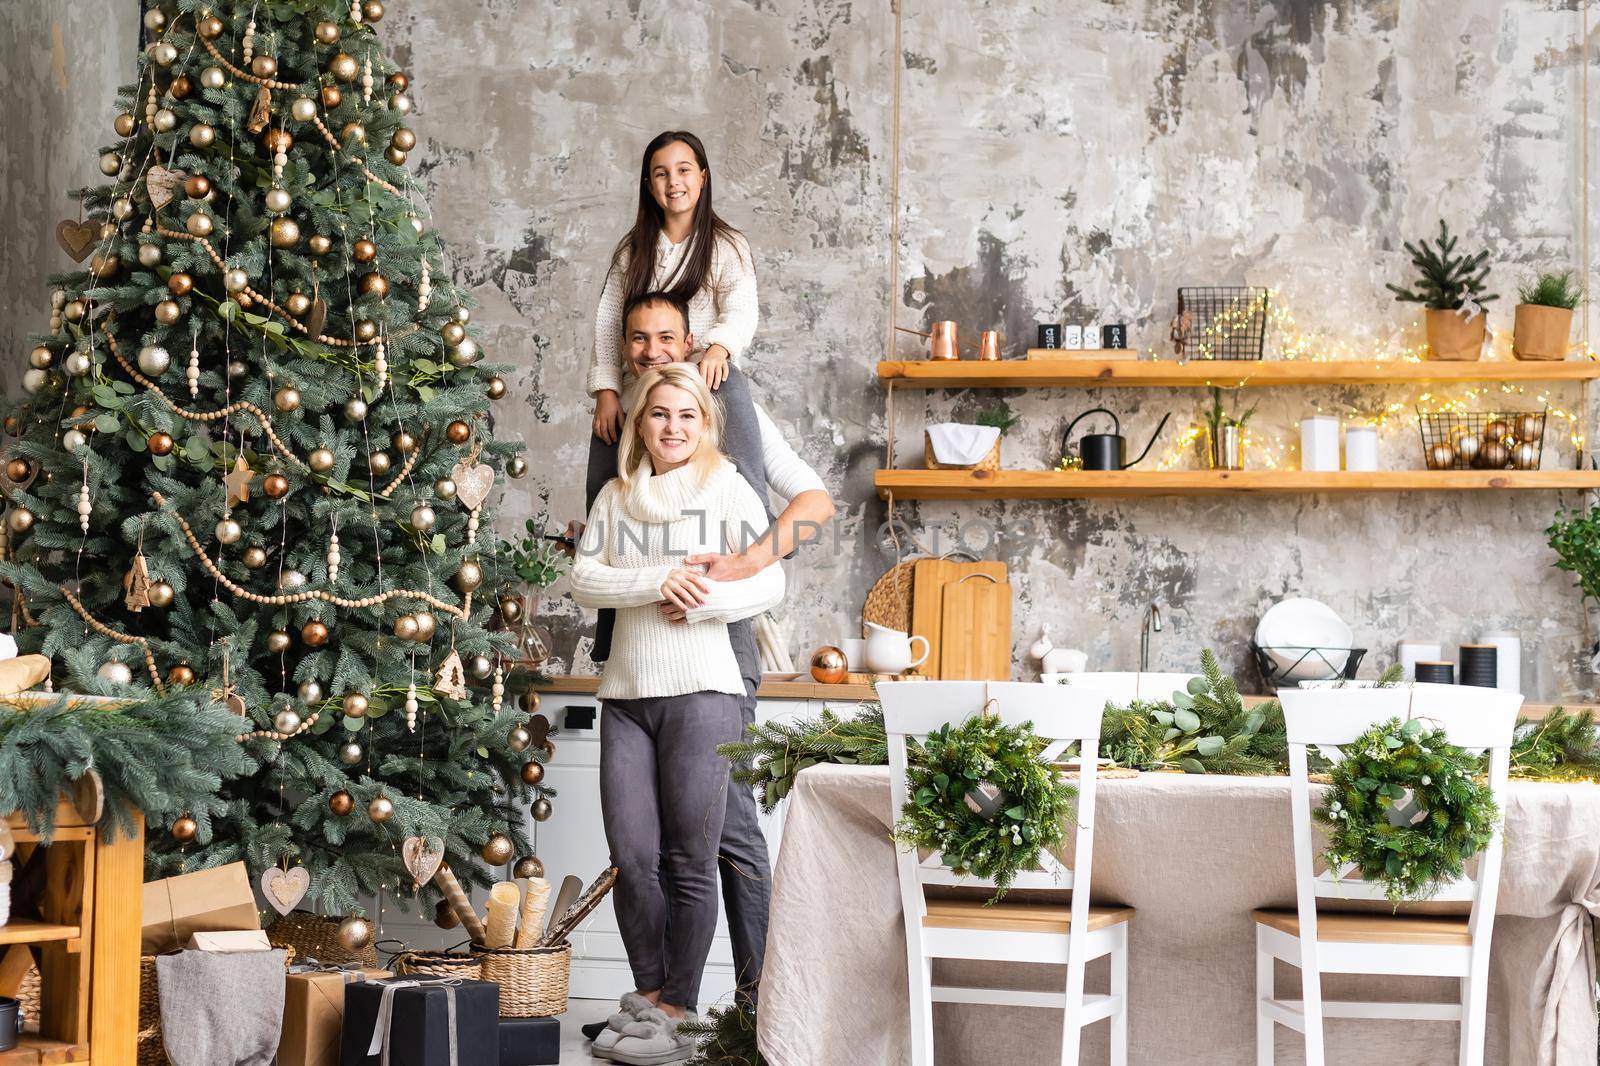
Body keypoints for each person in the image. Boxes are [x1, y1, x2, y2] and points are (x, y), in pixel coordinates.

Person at [576, 293, 834, 1046]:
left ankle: (697, 1007)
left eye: (686, 415)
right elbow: (588, 580)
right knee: (633, 856)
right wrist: (657, 581)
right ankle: (650, 995)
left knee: (708, 849)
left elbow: (771, 574)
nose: (672, 424)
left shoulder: (727, 479)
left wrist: (709, 595)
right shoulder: (619, 493)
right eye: (659, 414)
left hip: (709, 688)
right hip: (626, 692)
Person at [588, 130, 757, 444]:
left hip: (699, 376)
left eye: (684, 170)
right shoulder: (633, 250)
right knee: (607, 436)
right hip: (642, 382)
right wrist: (607, 391)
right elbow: (609, 322)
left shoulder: (727, 246)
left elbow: (741, 307)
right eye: (661, 174)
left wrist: (718, 350)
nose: (673, 181)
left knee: (732, 388)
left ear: (703, 177)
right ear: (650, 186)